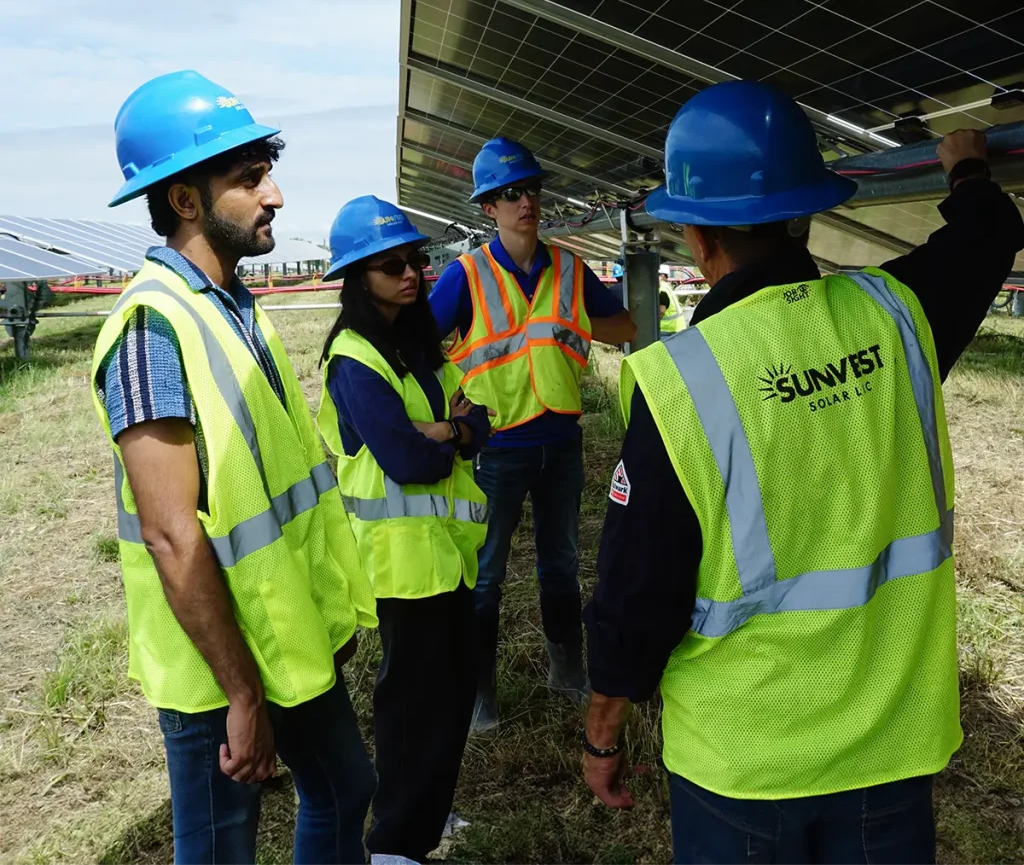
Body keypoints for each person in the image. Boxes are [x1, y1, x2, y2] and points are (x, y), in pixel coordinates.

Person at [581, 80, 1024, 864]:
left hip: (746, 762)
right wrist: (967, 174)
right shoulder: (897, 316)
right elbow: (988, 236)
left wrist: (605, 726)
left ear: (697, 235)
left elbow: (638, 590)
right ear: (808, 210)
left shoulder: (684, 380)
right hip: (891, 742)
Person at [90, 71, 378, 864]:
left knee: (346, 788)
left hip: (285, 637)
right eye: (250, 180)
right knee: (220, 848)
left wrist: (326, 622)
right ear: (186, 200)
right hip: (217, 667)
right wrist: (244, 694)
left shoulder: (233, 305)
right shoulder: (153, 329)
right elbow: (172, 534)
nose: (275, 195)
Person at [429, 137, 636, 732]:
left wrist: (580, 329)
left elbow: (622, 324)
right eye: (511, 194)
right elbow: (420, 348)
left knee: (561, 563)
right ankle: (479, 698)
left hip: (560, 441)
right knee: (486, 571)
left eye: (532, 190)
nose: (527, 202)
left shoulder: (569, 267)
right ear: (488, 208)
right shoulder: (464, 275)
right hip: (494, 449)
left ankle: (568, 674)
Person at [317, 196, 491, 865]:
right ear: (357, 278)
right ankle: (393, 845)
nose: (411, 274)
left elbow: (480, 422)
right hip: (404, 566)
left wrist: (452, 428)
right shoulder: (355, 360)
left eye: (416, 260)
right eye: (391, 266)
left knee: (448, 700)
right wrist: (453, 432)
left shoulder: (417, 348)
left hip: (447, 558)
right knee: (414, 710)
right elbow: (409, 459)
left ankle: (428, 822)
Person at [658, 263, 685, 336]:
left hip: (668, 330)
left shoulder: (662, 290)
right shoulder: (666, 286)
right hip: (677, 328)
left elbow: (661, 311)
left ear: (662, 276)